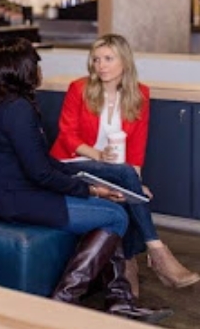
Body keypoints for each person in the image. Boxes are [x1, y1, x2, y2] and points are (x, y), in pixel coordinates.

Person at [0, 38, 169, 322]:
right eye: (36, 64)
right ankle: (64, 301)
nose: (39, 70)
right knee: (116, 217)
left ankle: (120, 301)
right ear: (23, 69)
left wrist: (85, 183)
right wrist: (91, 189)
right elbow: (40, 173)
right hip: (12, 199)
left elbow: (40, 163)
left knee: (113, 209)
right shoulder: (18, 108)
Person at [50, 34, 199, 295]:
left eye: (108, 58)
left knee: (128, 187)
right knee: (125, 178)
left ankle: (129, 261)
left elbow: (137, 146)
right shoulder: (79, 88)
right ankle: (157, 253)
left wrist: (136, 184)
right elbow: (67, 135)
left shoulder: (140, 93)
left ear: (124, 61)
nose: (101, 65)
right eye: (96, 59)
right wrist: (99, 156)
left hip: (114, 171)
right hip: (71, 163)